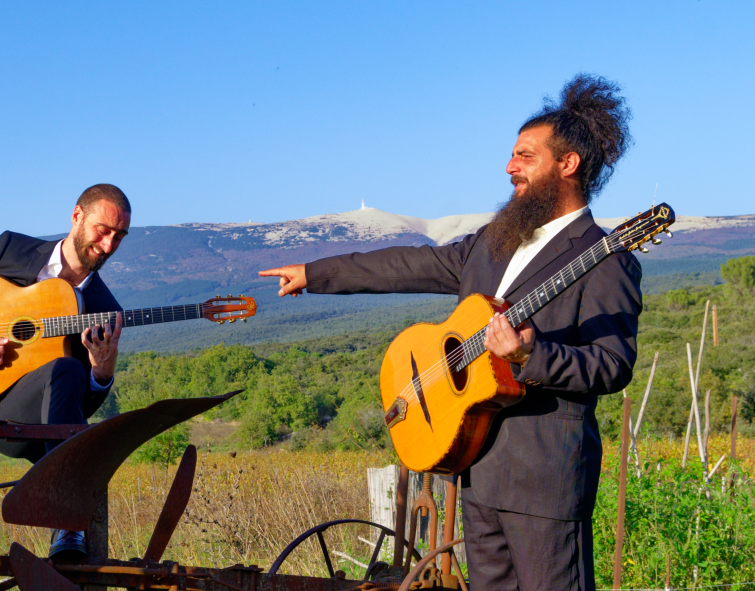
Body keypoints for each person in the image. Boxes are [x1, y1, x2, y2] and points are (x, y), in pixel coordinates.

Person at [258, 74, 641, 591]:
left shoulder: (605, 259)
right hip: (477, 467)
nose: (510, 167)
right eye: (512, 156)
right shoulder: (495, 240)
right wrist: (316, 274)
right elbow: (408, 266)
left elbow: (612, 365)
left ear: (568, 164)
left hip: (546, 481)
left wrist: (533, 354)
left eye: (526, 156)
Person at [0, 184, 130, 560]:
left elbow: (77, 405)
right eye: (102, 230)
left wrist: (101, 373)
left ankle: (65, 524)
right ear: (77, 217)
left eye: (119, 237)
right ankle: (68, 511)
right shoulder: (11, 249)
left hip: (30, 424)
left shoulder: (103, 307)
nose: (107, 245)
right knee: (67, 370)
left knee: (70, 370)